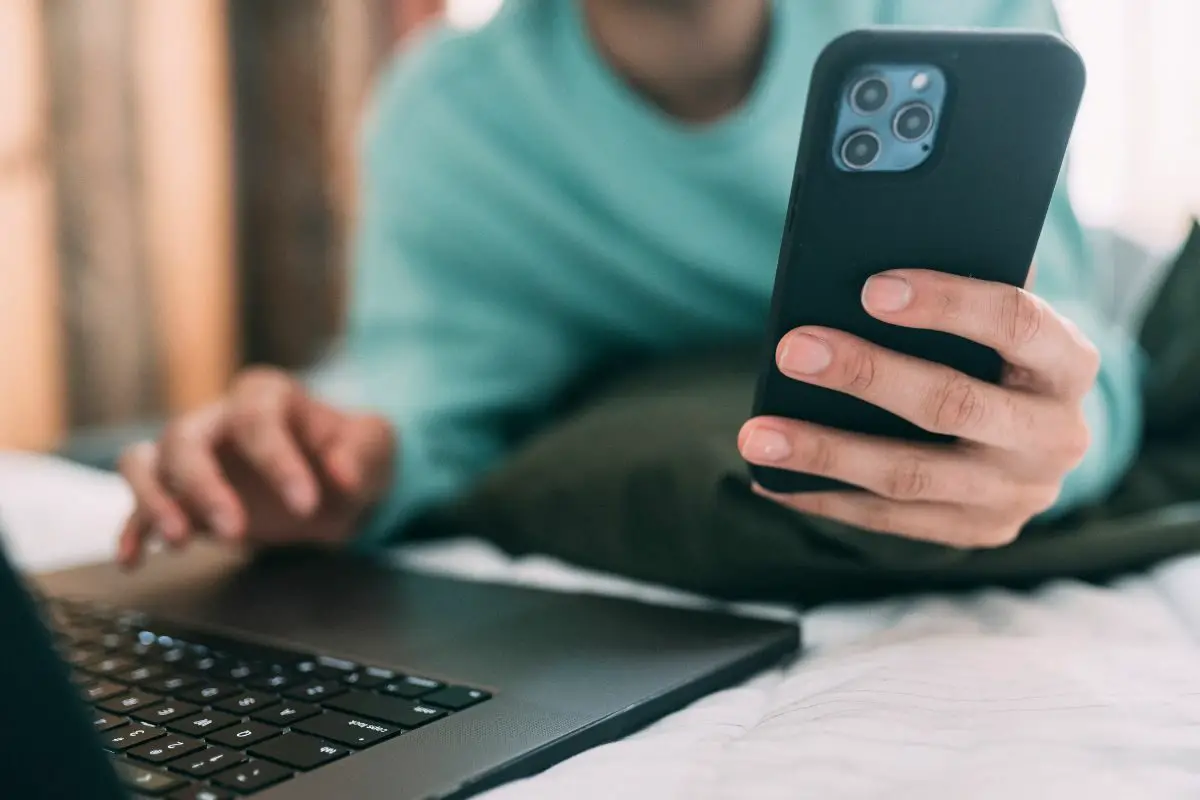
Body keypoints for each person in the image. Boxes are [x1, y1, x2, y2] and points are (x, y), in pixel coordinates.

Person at [114, 0, 1142, 590]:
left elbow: (1071, 325)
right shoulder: (452, 117)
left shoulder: (954, 16)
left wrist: (1057, 431)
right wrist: (339, 454)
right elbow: (429, 376)